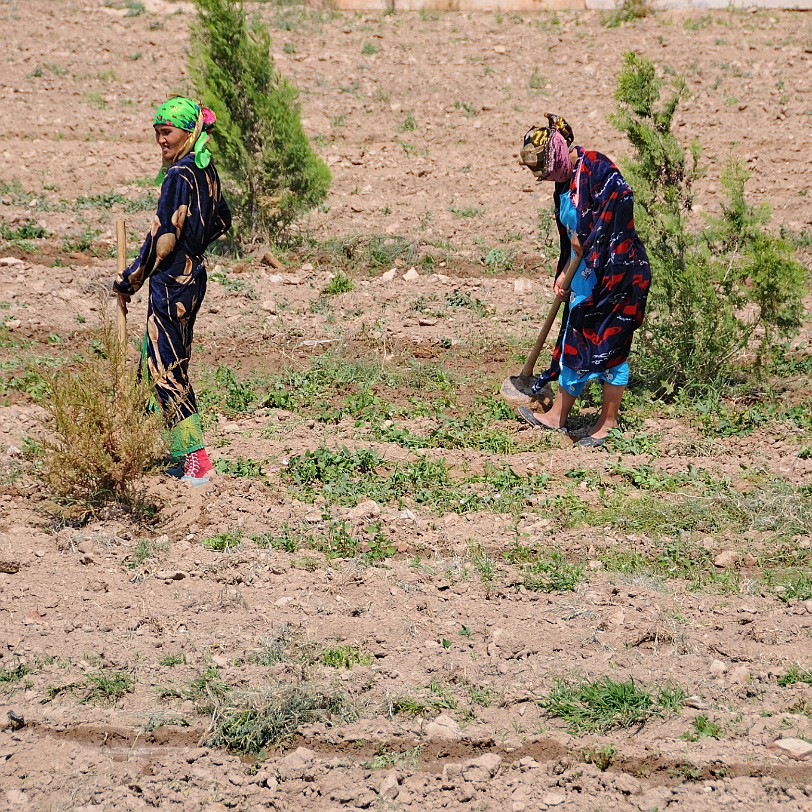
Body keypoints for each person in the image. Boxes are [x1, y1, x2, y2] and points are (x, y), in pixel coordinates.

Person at [113, 97, 232, 484]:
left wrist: (131, 278)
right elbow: (224, 219)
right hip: (193, 278)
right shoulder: (204, 169)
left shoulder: (179, 176)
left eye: (167, 133)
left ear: (188, 132)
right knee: (153, 364)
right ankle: (143, 449)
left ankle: (195, 459)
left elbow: (162, 237)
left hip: (170, 286)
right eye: (157, 134)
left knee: (167, 371)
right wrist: (193, 247)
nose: (161, 140)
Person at [517, 113, 650, 448]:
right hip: (585, 277)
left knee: (611, 349)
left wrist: (588, 240)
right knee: (576, 342)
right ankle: (558, 417)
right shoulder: (563, 185)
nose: (544, 176)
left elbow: (621, 206)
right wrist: (563, 275)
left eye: (545, 166)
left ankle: (608, 424)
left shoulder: (598, 167)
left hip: (618, 275)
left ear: (559, 151)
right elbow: (569, 239)